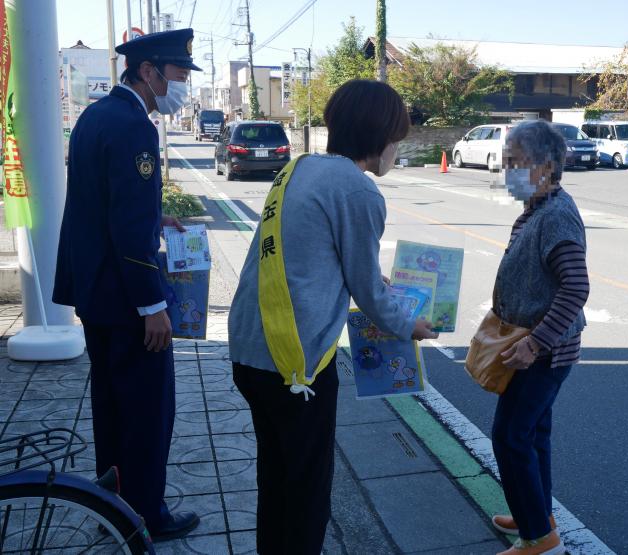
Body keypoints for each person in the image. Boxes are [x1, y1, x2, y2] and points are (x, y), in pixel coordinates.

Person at [228, 79, 439, 555]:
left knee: (277, 476)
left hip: (249, 348)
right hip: (293, 364)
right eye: (398, 140)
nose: (397, 151)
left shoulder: (299, 168)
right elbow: (367, 290)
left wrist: (372, 283)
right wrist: (410, 325)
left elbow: (319, 258)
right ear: (380, 137)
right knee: (306, 490)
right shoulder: (358, 191)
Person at [53, 28, 202, 542]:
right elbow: (123, 224)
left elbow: (101, 207)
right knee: (146, 410)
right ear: (147, 71)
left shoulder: (97, 116)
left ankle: (110, 507)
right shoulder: (135, 128)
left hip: (96, 295)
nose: (182, 84)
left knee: (111, 406)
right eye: (178, 73)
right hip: (126, 300)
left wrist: (154, 219)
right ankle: (144, 517)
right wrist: (152, 305)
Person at [488, 120, 590, 555]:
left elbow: (576, 287)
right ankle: (538, 513)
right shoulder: (535, 210)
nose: (506, 170)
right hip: (532, 346)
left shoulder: (557, 216)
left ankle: (540, 538)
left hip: (543, 352)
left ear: (546, 168)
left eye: (516, 163)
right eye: (505, 162)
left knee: (509, 436)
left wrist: (535, 343)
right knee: (533, 434)